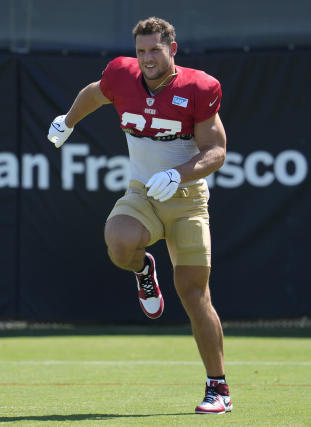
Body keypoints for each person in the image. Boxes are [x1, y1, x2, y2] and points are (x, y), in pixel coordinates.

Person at [47, 16, 231, 415]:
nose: (147, 58)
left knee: (194, 295)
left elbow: (216, 151)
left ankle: (218, 387)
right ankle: (143, 271)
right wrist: (68, 121)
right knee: (119, 241)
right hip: (144, 192)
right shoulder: (121, 75)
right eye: (141, 50)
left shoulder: (199, 87)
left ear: (172, 50)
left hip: (186, 199)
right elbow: (95, 94)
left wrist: (177, 173)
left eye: (155, 50)